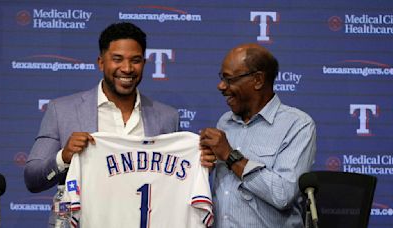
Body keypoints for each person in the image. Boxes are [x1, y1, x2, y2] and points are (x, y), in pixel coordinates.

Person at [24, 22, 179, 225]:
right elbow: (33, 179)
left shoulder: (167, 117)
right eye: (117, 59)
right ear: (100, 62)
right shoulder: (62, 111)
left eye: (136, 60)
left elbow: (175, 185)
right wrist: (64, 156)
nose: (127, 68)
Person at [200, 43, 316, 227]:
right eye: (222, 77)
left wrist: (231, 156)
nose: (221, 86)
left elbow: (283, 195)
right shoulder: (225, 122)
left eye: (229, 79)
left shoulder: (298, 125)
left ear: (258, 80)